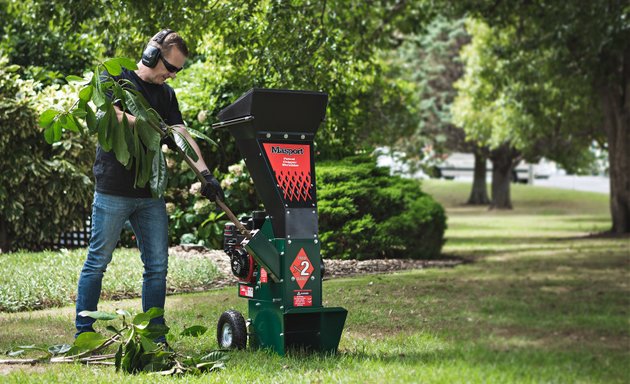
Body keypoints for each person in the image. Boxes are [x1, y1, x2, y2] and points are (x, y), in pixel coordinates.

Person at [75, 29, 223, 342]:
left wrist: (206, 175)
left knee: (157, 267)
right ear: (150, 55)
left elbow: (181, 134)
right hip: (113, 188)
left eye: (178, 71)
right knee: (97, 261)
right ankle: (83, 333)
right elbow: (108, 115)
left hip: (150, 194)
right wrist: (153, 125)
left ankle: (155, 336)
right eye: (169, 68)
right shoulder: (115, 77)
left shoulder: (167, 96)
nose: (171, 75)